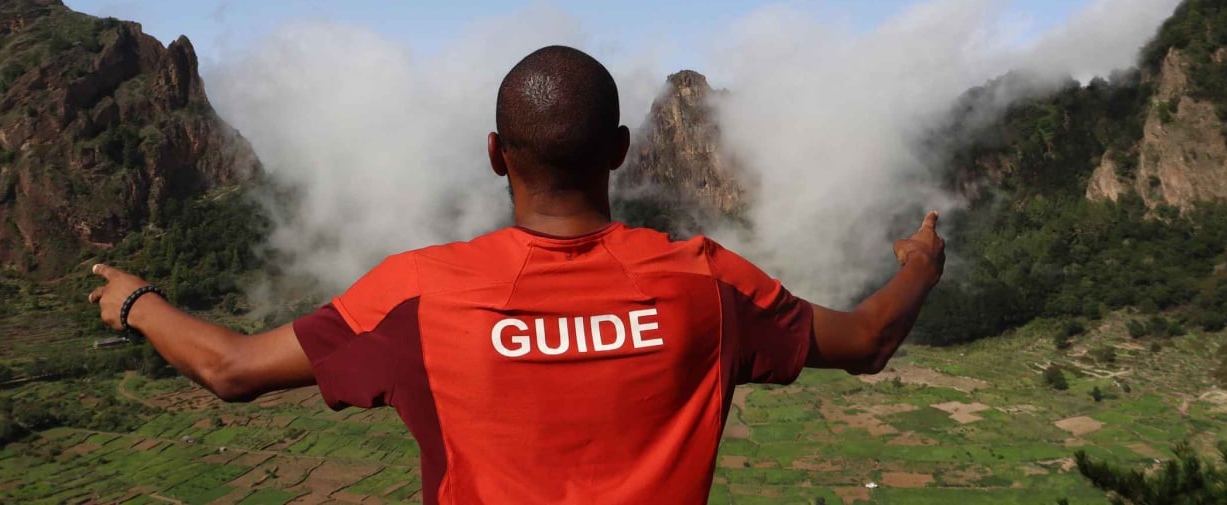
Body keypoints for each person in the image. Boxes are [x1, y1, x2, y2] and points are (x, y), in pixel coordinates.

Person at [88, 45, 945, 504]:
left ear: (496, 154)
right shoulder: (705, 283)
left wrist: (136, 302)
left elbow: (230, 367)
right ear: (620, 151)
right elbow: (869, 339)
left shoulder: (417, 294)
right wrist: (918, 266)